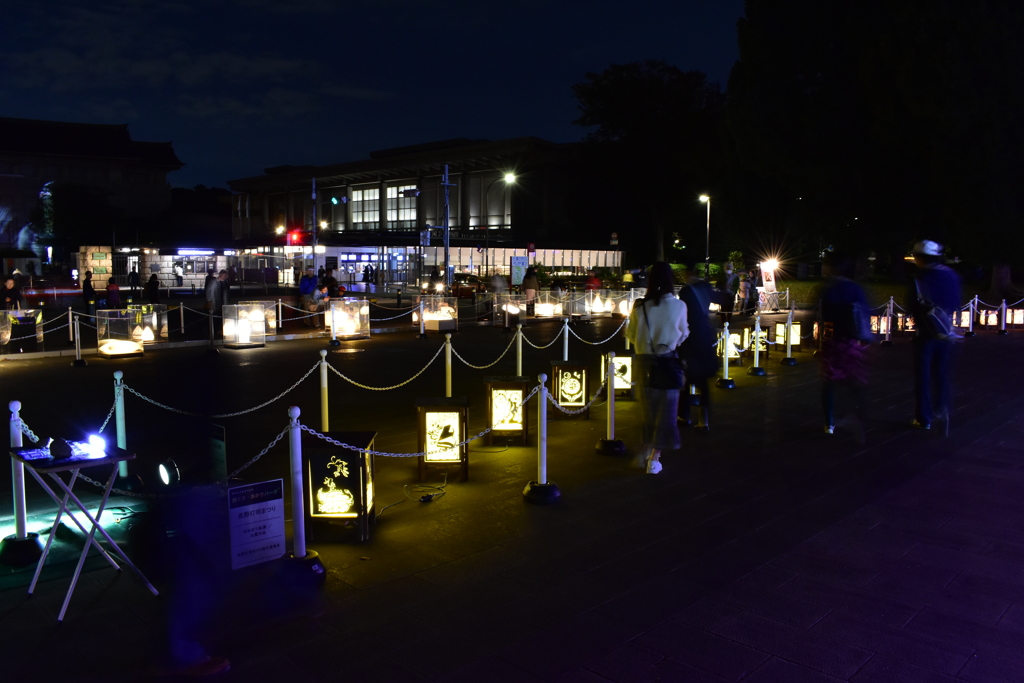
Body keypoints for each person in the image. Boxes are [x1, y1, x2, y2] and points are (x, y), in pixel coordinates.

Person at [624, 262, 689, 474]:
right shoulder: (679, 306)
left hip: (644, 362)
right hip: (668, 361)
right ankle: (655, 458)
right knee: (666, 412)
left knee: (648, 411)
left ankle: (645, 448)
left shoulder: (639, 305)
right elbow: (684, 333)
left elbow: (631, 335)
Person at [816, 252, 872, 438]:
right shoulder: (855, 288)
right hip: (852, 342)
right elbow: (864, 313)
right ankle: (858, 416)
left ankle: (829, 422)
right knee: (854, 381)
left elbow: (817, 314)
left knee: (829, 382)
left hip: (832, 341)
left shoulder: (827, 288)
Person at [908, 239, 961, 432]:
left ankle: (924, 418)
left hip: (924, 334)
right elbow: (956, 303)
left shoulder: (919, 277)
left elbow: (912, 306)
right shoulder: (951, 276)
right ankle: (942, 409)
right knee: (942, 374)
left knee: (922, 377)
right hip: (946, 332)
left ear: (920, 257)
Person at [676, 263, 716, 431]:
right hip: (705, 337)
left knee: (685, 376)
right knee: (703, 381)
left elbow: (683, 315)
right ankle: (704, 419)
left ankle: (684, 415)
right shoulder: (706, 287)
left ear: (688, 272)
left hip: (690, 338)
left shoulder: (684, 292)